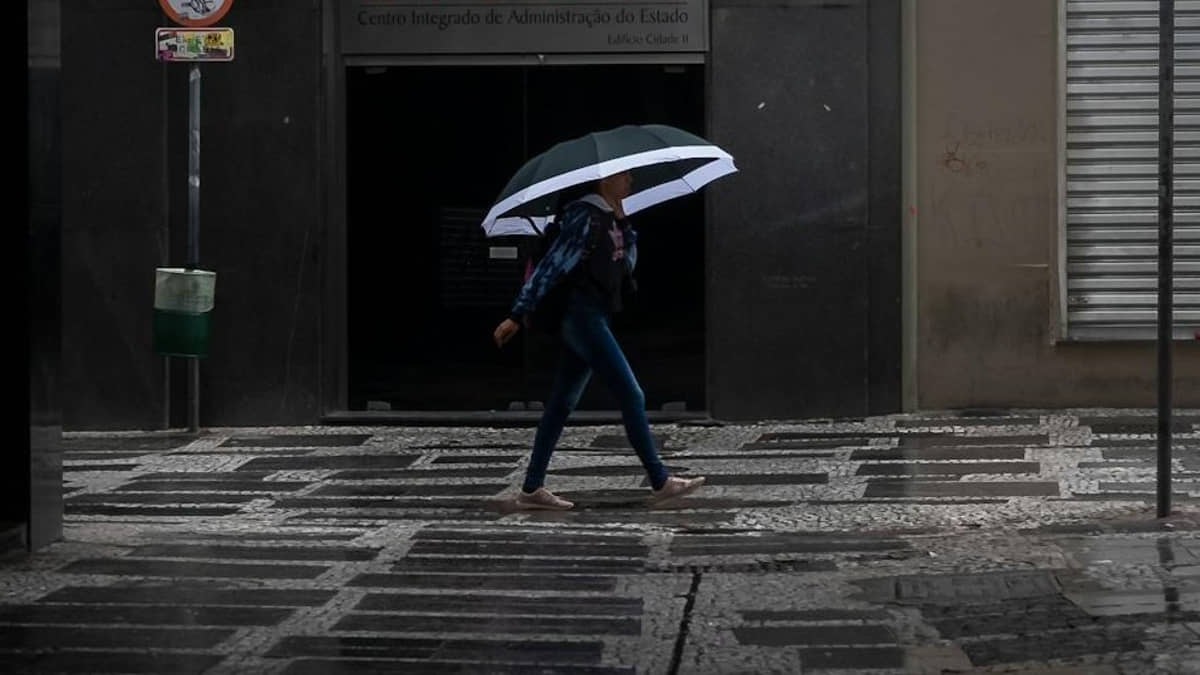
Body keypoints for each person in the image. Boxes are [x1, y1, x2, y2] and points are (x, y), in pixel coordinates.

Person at [493, 171, 706, 510]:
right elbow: (552, 266)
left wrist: (625, 225)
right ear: (605, 181)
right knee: (631, 393)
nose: (631, 182)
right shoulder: (583, 216)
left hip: (596, 315)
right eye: (624, 176)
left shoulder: (611, 219)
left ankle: (532, 489)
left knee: (562, 403)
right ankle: (660, 480)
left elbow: (627, 268)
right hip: (581, 317)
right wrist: (517, 314)